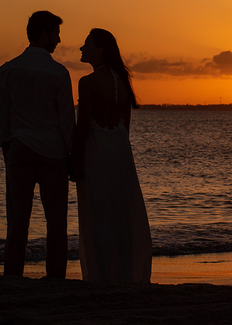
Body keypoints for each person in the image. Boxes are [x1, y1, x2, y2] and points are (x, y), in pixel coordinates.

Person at [0, 10, 75, 278]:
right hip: (53, 152)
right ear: (43, 34)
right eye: (55, 34)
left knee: (17, 220)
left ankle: (13, 274)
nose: (59, 40)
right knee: (56, 222)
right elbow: (66, 119)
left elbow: (1, 115)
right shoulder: (58, 73)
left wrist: (7, 146)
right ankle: (55, 277)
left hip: (20, 148)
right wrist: (71, 153)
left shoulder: (7, 70)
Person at [72, 28, 152, 283]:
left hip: (96, 152)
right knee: (121, 216)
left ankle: (103, 275)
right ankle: (124, 273)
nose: (81, 49)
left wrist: (75, 158)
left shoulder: (88, 82)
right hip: (120, 154)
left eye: (86, 44)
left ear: (100, 50)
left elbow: (83, 125)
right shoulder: (122, 83)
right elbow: (125, 129)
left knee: (98, 214)